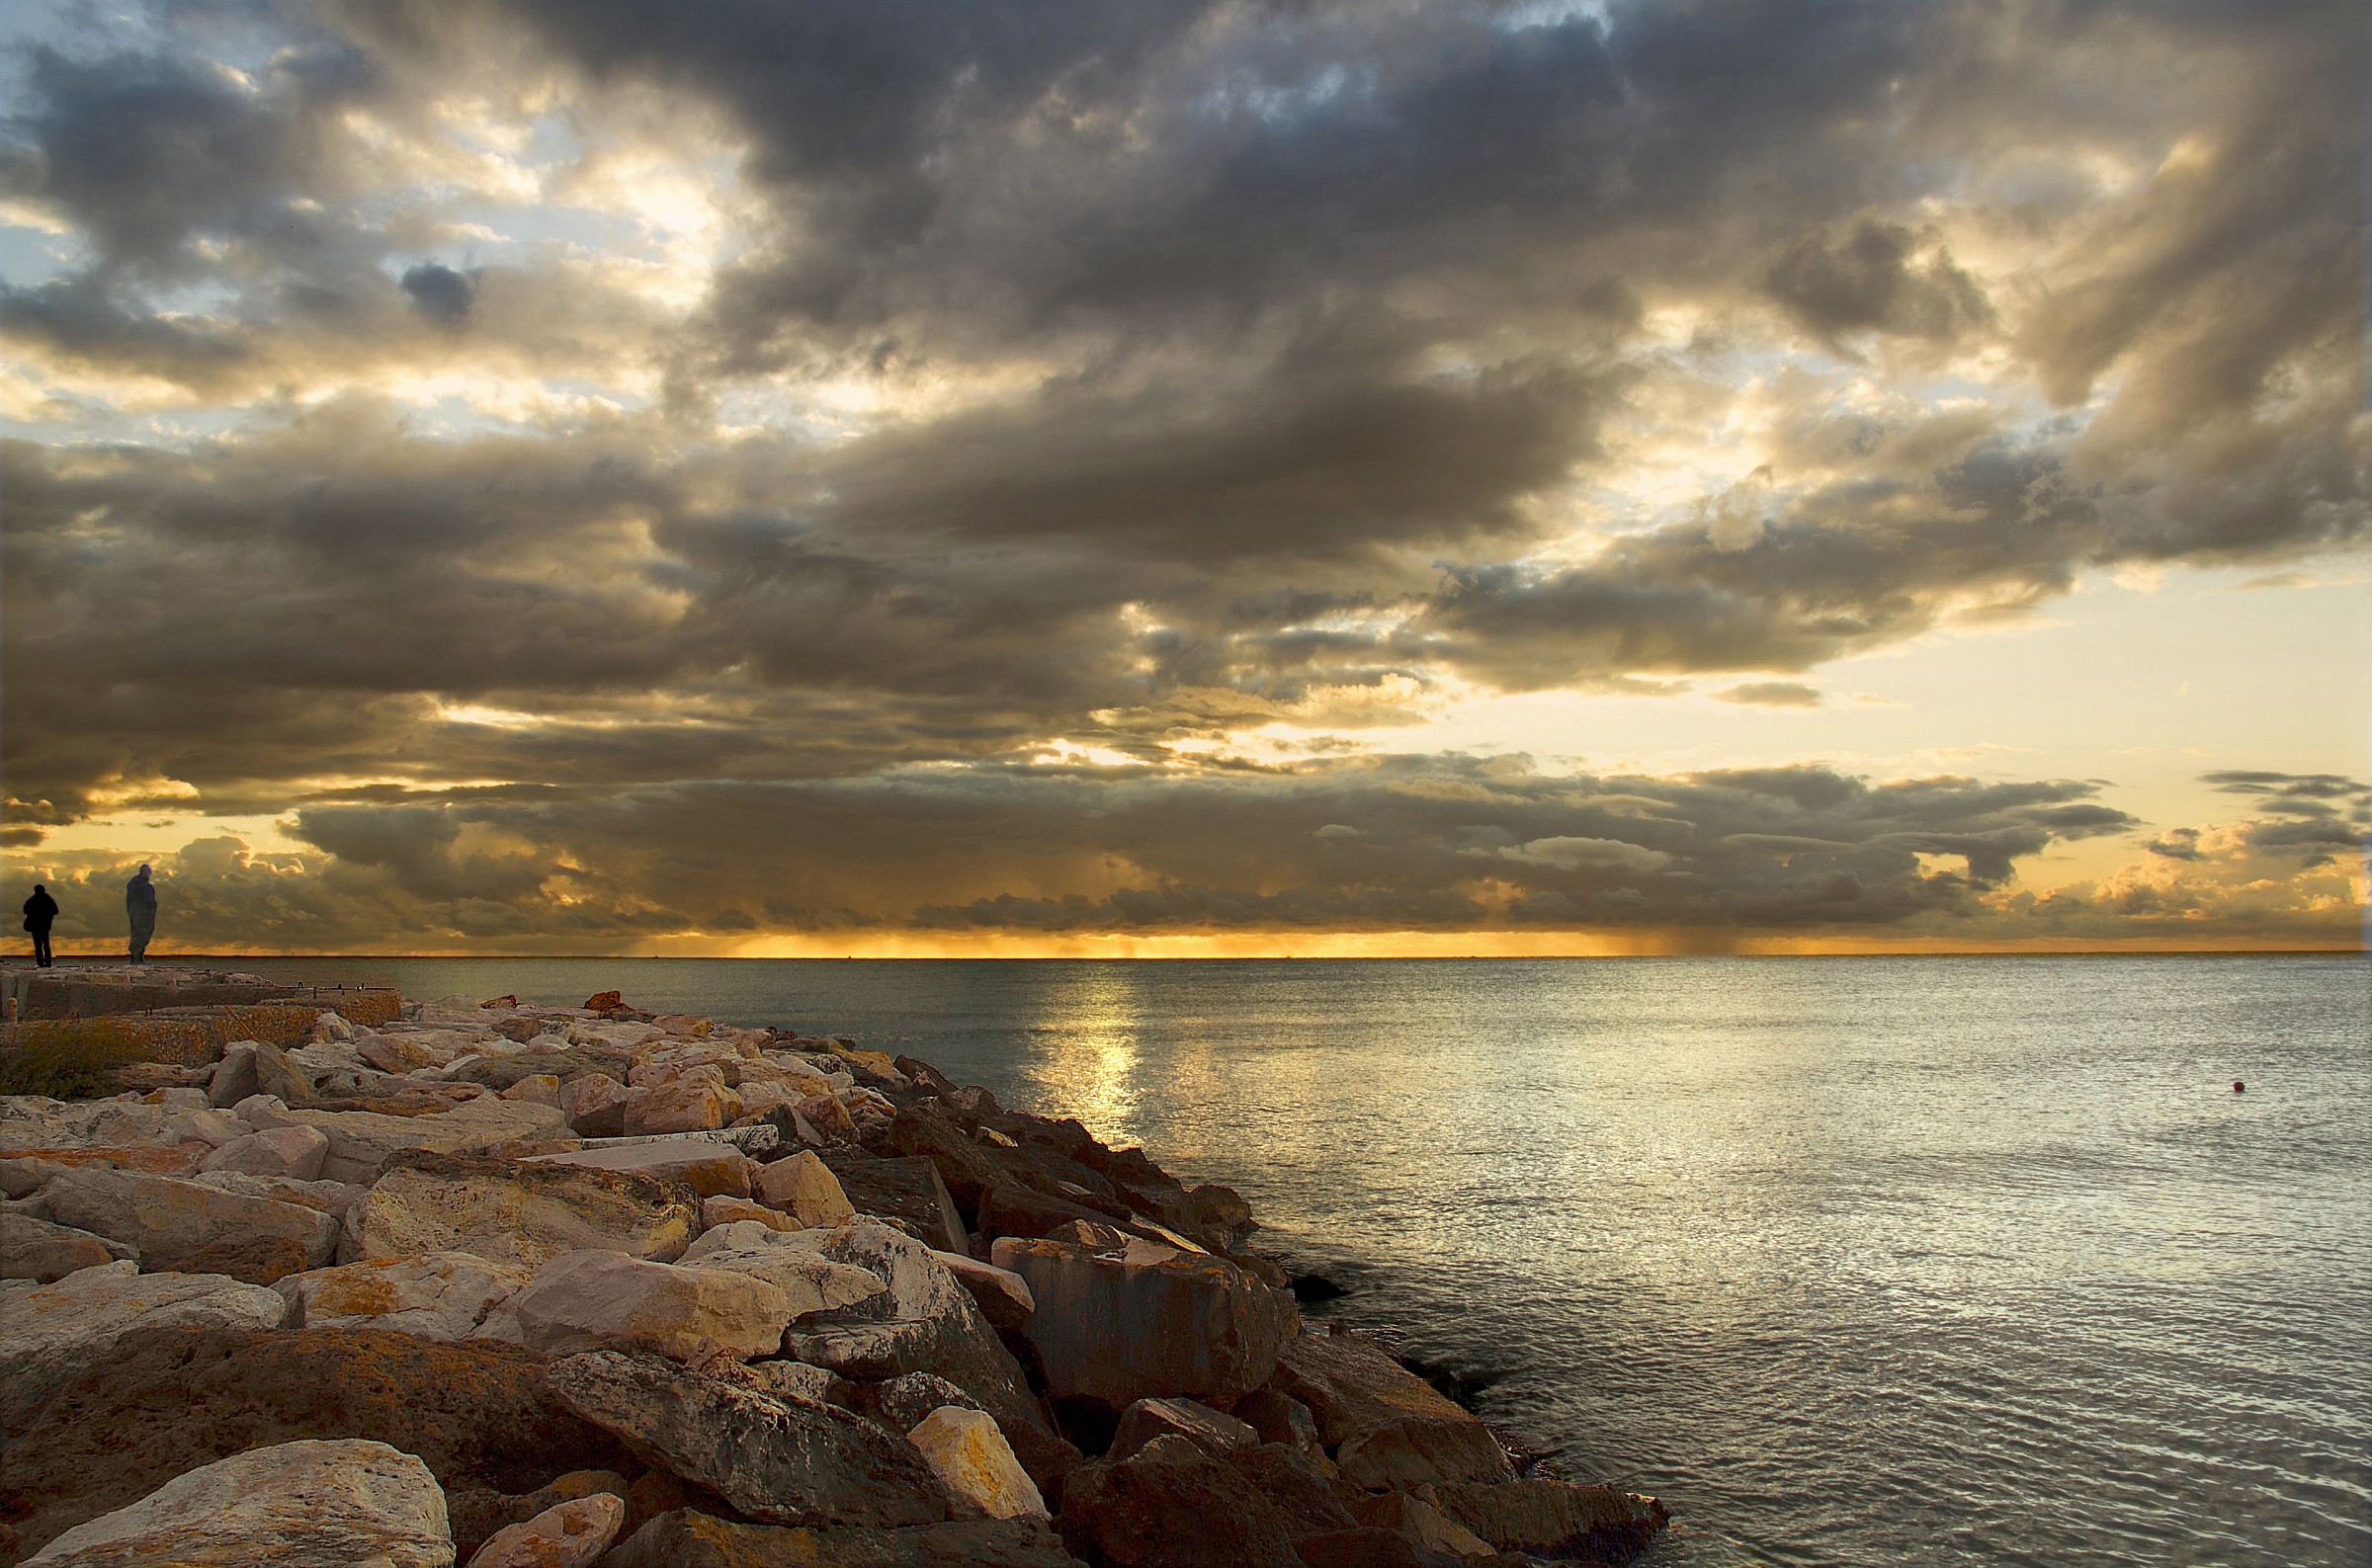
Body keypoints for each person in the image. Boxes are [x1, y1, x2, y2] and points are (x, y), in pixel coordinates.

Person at [126, 865, 157, 963]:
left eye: (149, 871)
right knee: (139, 933)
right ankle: (136, 957)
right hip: (139, 913)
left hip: (147, 914)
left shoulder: (149, 887)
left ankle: (139, 956)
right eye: (146, 871)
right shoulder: (135, 884)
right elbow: (133, 900)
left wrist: (152, 908)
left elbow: (151, 900)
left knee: (147, 932)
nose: (148, 873)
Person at [21, 884, 59, 968]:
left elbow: (25, 910)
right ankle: (46, 962)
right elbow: (55, 911)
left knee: (38, 944)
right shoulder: (48, 899)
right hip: (44, 925)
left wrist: (35, 914)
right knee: (45, 944)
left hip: (37, 925)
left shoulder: (33, 900)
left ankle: (41, 962)